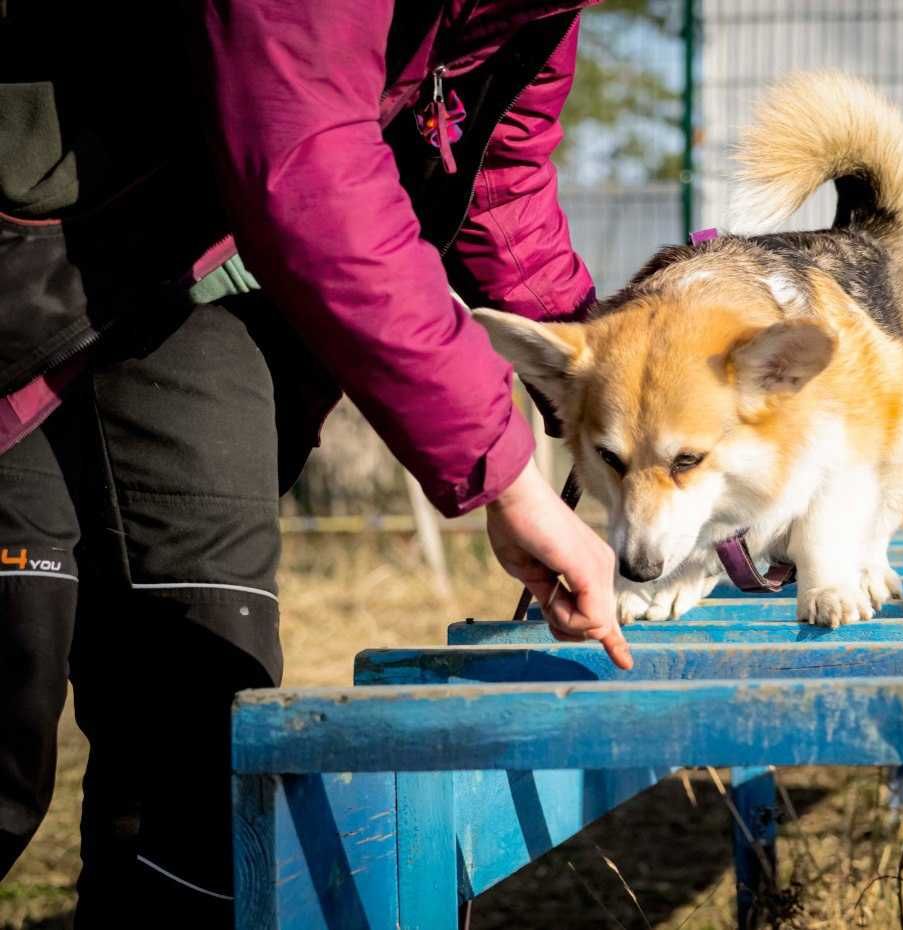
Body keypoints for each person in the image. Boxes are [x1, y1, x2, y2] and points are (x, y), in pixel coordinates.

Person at [0, 0, 630, 925]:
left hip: (194, 283)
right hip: (31, 243)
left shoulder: (533, 10)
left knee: (199, 741)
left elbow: (499, 175)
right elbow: (303, 146)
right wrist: (507, 474)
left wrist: (607, 388)